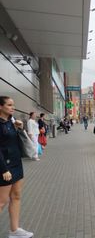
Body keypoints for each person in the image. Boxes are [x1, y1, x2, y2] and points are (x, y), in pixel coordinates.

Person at [0, 96, 34, 238]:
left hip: (16, 164)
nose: (13, 107)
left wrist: (19, 128)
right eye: (9, 105)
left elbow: (19, 142)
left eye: (13, 105)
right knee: (2, 201)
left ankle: (14, 230)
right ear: (0, 107)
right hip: (4, 166)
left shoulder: (11, 121)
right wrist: (3, 169)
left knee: (16, 196)